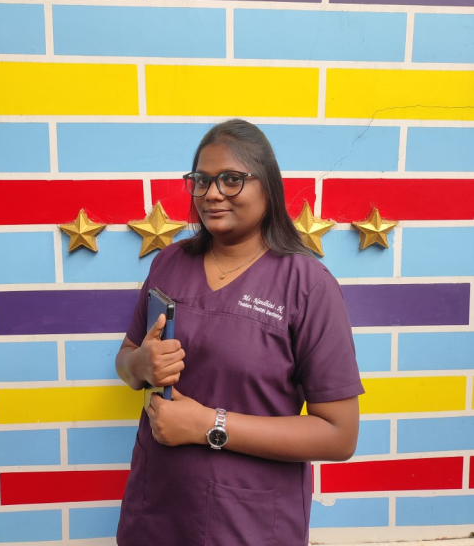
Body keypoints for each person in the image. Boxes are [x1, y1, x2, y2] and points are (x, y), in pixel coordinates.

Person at [116, 119, 364, 546]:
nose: (212, 193)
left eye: (232, 179)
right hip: (157, 510)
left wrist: (207, 425)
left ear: (268, 186)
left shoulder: (307, 285)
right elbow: (127, 356)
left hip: (248, 522)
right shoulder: (170, 262)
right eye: (201, 180)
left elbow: (339, 435)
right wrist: (139, 364)